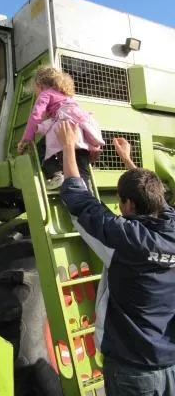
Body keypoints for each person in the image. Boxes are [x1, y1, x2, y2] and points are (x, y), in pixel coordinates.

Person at [57, 120, 175, 396]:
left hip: (133, 371)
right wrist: (128, 161)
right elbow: (161, 205)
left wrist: (67, 147)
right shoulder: (171, 228)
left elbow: (79, 200)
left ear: (130, 205)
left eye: (121, 202)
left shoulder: (126, 240)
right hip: (170, 365)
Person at [17, 66, 104, 190]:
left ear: (39, 85)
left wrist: (26, 140)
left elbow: (35, 117)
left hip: (65, 130)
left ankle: (56, 174)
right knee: (81, 168)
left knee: (41, 149)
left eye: (35, 89)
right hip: (80, 134)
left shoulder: (45, 94)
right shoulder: (66, 96)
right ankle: (88, 194)